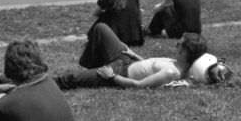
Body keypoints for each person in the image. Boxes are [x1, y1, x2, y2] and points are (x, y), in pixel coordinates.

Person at [55, 27, 220, 90]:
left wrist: (112, 77)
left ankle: (46, 85)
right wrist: (134, 55)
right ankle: (91, 65)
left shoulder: (172, 72)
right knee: (101, 29)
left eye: (180, 44)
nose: (176, 45)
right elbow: (149, 66)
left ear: (186, 52)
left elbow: (139, 85)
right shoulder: (178, 63)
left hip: (120, 73)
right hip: (128, 60)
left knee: (71, 78)